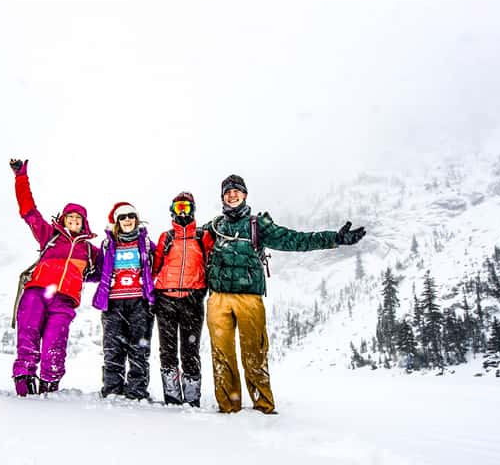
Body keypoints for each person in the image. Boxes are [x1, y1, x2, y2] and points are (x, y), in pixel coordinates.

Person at [201, 174, 365, 414]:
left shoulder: (258, 225)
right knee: (221, 355)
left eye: (237, 191)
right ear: (222, 197)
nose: (232, 195)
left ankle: (263, 407)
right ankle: (228, 407)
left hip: (249, 298)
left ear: (245, 195)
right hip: (218, 300)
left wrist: (335, 238)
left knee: (254, 353)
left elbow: (294, 239)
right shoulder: (215, 226)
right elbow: (186, 242)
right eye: (227, 192)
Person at [10, 158, 99, 396]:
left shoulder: (90, 250)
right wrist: (21, 177)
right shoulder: (48, 236)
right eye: (70, 218)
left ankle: (50, 385)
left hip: (64, 301)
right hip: (36, 293)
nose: (73, 222)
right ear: (63, 220)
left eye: (78, 219)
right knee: (27, 337)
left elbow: (111, 267)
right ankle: (23, 380)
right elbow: (28, 211)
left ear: (84, 224)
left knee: (54, 345)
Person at [92, 202, 156, 400]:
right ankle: (112, 390)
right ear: (117, 221)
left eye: (131, 216)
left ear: (136, 219)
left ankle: (136, 391)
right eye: (122, 217)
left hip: (140, 302)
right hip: (112, 302)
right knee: (113, 348)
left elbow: (160, 264)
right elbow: (96, 270)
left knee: (139, 349)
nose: (127, 219)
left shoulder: (146, 243)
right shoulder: (107, 245)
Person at [152, 192, 211, 406]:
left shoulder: (202, 237)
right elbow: (155, 267)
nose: (183, 211)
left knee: (190, 350)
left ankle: (193, 398)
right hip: (165, 299)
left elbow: (212, 263)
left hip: (192, 300)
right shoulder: (166, 237)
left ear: (193, 208)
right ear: (172, 210)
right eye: (178, 207)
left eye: (186, 206)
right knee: (167, 350)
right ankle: (172, 398)